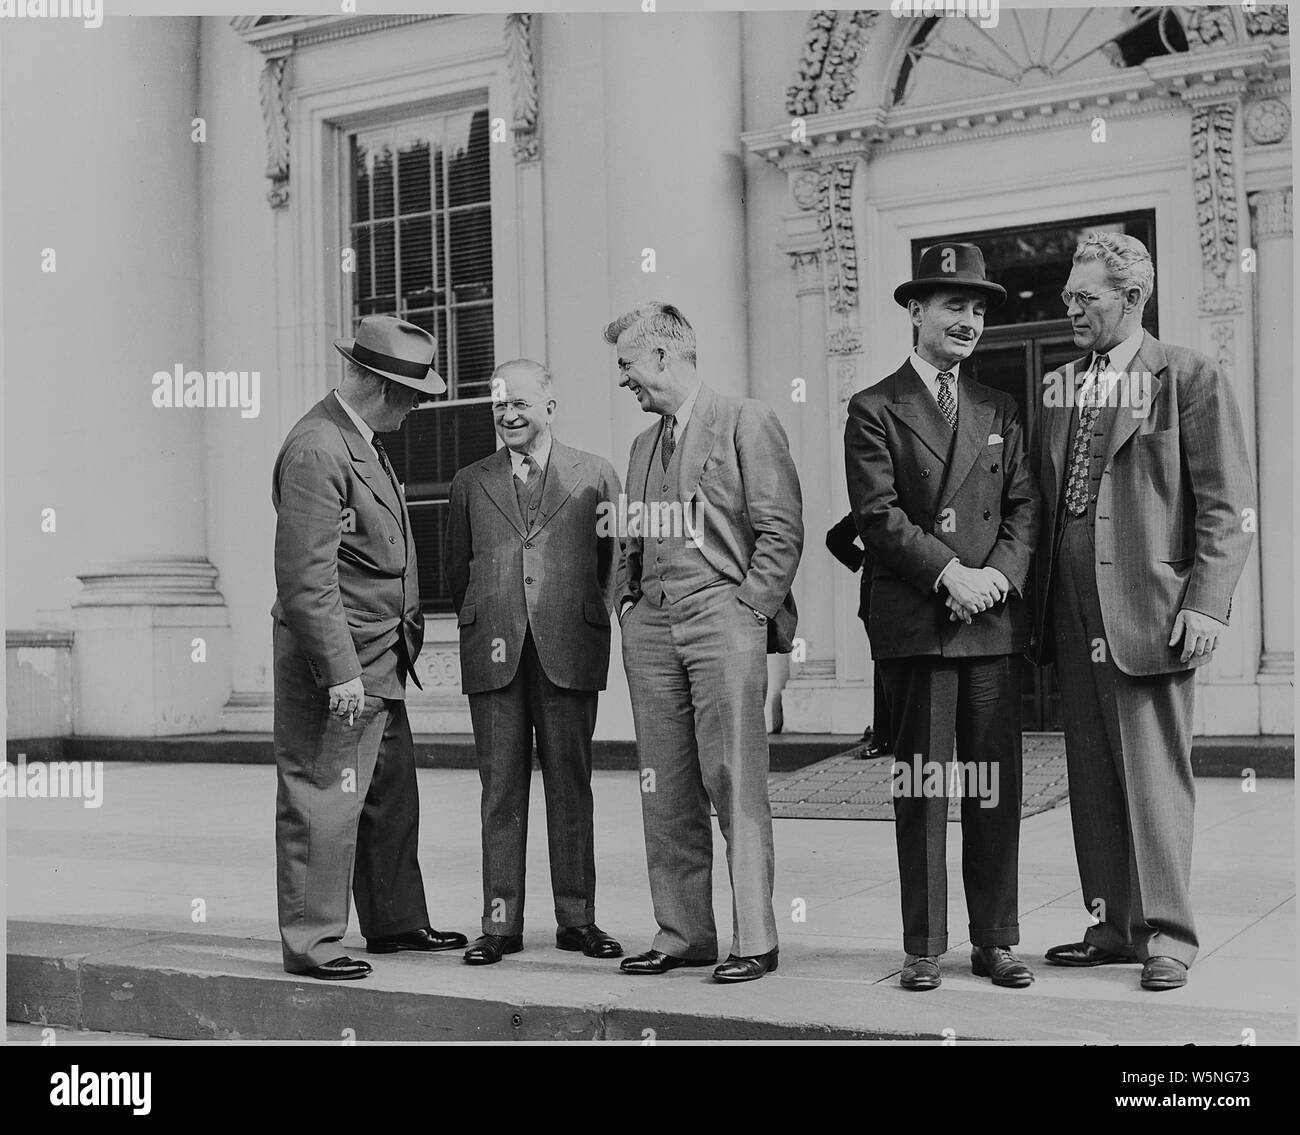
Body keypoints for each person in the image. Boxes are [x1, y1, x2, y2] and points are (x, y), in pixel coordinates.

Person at [1030, 232, 1255, 991]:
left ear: (1133, 298)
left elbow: (1228, 504)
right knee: (1091, 775)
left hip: (1152, 609)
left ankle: (1171, 935)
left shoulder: (1187, 374)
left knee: (1156, 777)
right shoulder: (1061, 385)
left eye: (1085, 298)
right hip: (1073, 612)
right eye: (1067, 297)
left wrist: (1209, 603)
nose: (1071, 309)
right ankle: (1114, 924)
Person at [844, 243, 1038, 992]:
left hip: (987, 621)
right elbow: (877, 514)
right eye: (953, 304)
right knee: (923, 789)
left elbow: (1024, 506)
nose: (969, 320)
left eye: (979, 308)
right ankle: (923, 944)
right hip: (918, 623)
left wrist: (994, 578)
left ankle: (996, 938)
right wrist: (949, 572)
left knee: (994, 786)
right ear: (916, 312)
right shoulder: (873, 407)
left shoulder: (999, 408)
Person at [610, 301, 803, 983]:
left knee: (734, 777)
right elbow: (629, 541)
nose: (624, 381)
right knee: (664, 784)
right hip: (653, 630)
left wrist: (749, 608)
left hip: (724, 617)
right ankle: (682, 929)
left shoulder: (745, 419)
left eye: (629, 366)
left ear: (664, 356)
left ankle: (756, 935)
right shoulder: (639, 447)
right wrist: (628, 605)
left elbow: (781, 530)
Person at [271, 315, 467, 980]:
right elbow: (306, 579)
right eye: (414, 397)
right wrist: (340, 671)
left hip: (381, 655)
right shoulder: (319, 448)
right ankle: (314, 942)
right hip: (342, 663)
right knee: (325, 796)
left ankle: (395, 920)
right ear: (387, 389)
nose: (416, 410)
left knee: (387, 793)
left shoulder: (354, 439)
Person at [444, 359, 624, 966]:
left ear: (550, 405)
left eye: (519, 403)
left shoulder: (595, 474)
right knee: (500, 790)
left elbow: (616, 563)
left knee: (571, 787)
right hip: (492, 652)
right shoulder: (471, 480)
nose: (509, 415)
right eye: (498, 406)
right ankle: (500, 924)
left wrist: (580, 619)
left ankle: (578, 921)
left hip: (567, 649)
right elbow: (455, 567)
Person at [825, 513, 892, 755]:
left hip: (880, 599)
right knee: (885, 670)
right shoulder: (872, 506)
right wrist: (863, 560)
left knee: (885, 669)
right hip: (878, 600)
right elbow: (835, 538)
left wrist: (862, 560)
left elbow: (835, 539)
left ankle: (885, 737)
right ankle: (884, 737)